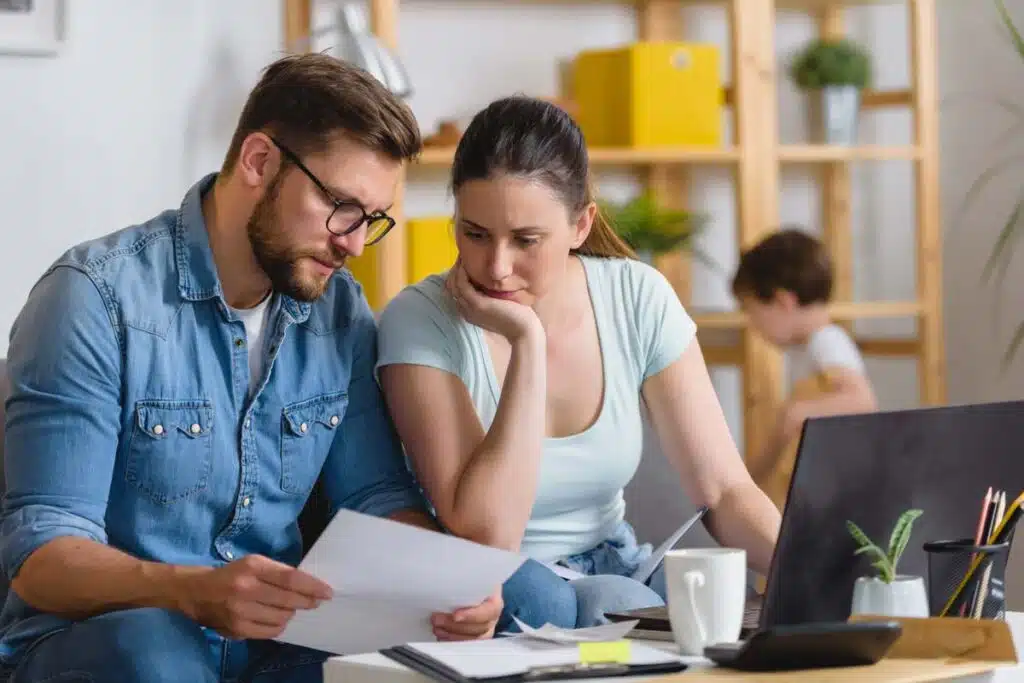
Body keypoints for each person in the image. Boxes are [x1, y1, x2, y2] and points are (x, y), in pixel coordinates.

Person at [0, 54, 501, 683]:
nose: (352, 242)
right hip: (109, 642)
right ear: (259, 162)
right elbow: (41, 554)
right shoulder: (95, 297)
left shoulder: (338, 310)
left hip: (271, 646)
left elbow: (374, 496)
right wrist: (191, 591)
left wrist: (445, 587)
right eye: (342, 206)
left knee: (498, 615)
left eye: (371, 220)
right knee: (155, 652)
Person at [374, 96, 782, 632]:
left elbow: (724, 490)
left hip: (614, 561)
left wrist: (807, 570)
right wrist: (526, 342)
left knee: (711, 598)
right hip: (496, 578)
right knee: (572, 604)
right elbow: (485, 533)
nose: (496, 267)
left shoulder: (637, 297)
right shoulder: (419, 319)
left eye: (526, 240)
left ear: (581, 225)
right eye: (474, 234)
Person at [731, 228, 878, 510]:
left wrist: (795, 413)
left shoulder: (826, 340)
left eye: (751, 311)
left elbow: (861, 400)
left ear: (783, 301)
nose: (753, 324)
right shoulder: (805, 348)